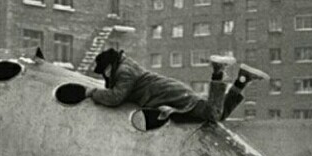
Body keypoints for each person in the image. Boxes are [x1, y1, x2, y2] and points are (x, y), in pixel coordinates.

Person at [86, 48, 269, 122]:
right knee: (219, 115)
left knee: (212, 114)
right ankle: (242, 80)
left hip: (169, 95)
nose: (104, 75)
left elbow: (116, 97)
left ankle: (218, 71)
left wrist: (92, 92)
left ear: (109, 66)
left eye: (104, 71)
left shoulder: (124, 72)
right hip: (169, 92)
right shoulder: (125, 66)